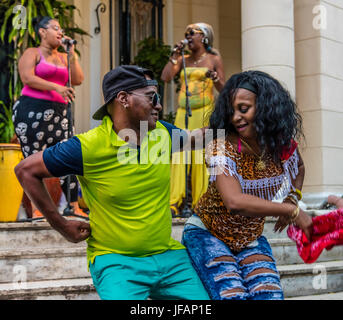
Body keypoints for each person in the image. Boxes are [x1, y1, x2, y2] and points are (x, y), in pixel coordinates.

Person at [15, 65, 210, 300]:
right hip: (116, 262)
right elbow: (25, 170)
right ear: (123, 98)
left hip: (169, 258)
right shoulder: (87, 147)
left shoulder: (162, 134)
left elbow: (199, 137)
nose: (158, 105)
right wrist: (61, 225)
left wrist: (238, 118)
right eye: (152, 97)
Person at [182, 70, 313, 300]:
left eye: (244, 109)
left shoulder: (280, 145)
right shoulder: (221, 146)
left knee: (269, 296)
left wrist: (293, 197)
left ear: (266, 108)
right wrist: (291, 211)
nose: (235, 118)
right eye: (231, 111)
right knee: (233, 296)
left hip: (250, 238)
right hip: (208, 234)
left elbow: (299, 167)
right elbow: (234, 201)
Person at [13, 16, 87, 219]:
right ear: (42, 32)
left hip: (60, 113)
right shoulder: (32, 53)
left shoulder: (64, 57)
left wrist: (72, 54)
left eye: (61, 28)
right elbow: (27, 77)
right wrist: (56, 87)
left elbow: (78, 79)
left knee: (68, 154)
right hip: (31, 112)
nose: (60, 32)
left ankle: (73, 206)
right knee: (34, 158)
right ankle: (38, 209)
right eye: (55, 28)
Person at [161, 22, 225, 217]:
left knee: (201, 157)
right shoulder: (182, 59)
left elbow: (224, 88)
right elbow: (165, 77)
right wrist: (174, 56)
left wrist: (214, 78)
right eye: (186, 33)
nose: (188, 36)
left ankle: (201, 202)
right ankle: (174, 202)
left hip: (205, 113)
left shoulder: (214, 58)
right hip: (184, 113)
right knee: (179, 156)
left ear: (204, 37)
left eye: (192, 33)